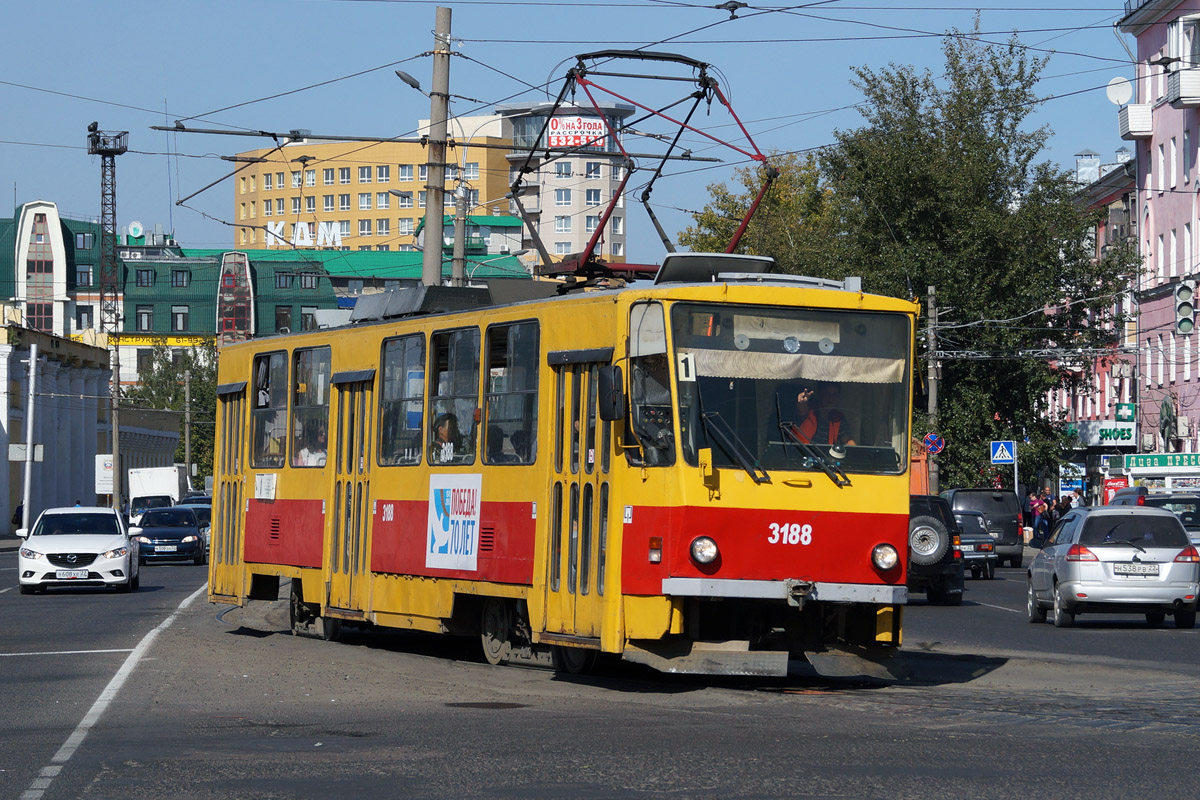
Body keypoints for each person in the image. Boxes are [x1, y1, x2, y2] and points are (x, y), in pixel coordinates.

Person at [788, 383, 857, 447]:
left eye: (834, 395)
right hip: (802, 453)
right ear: (820, 395)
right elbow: (802, 409)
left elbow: (848, 440)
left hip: (826, 457)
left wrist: (858, 453)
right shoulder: (810, 410)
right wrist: (802, 402)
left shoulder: (838, 418)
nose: (831, 398)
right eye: (827, 394)